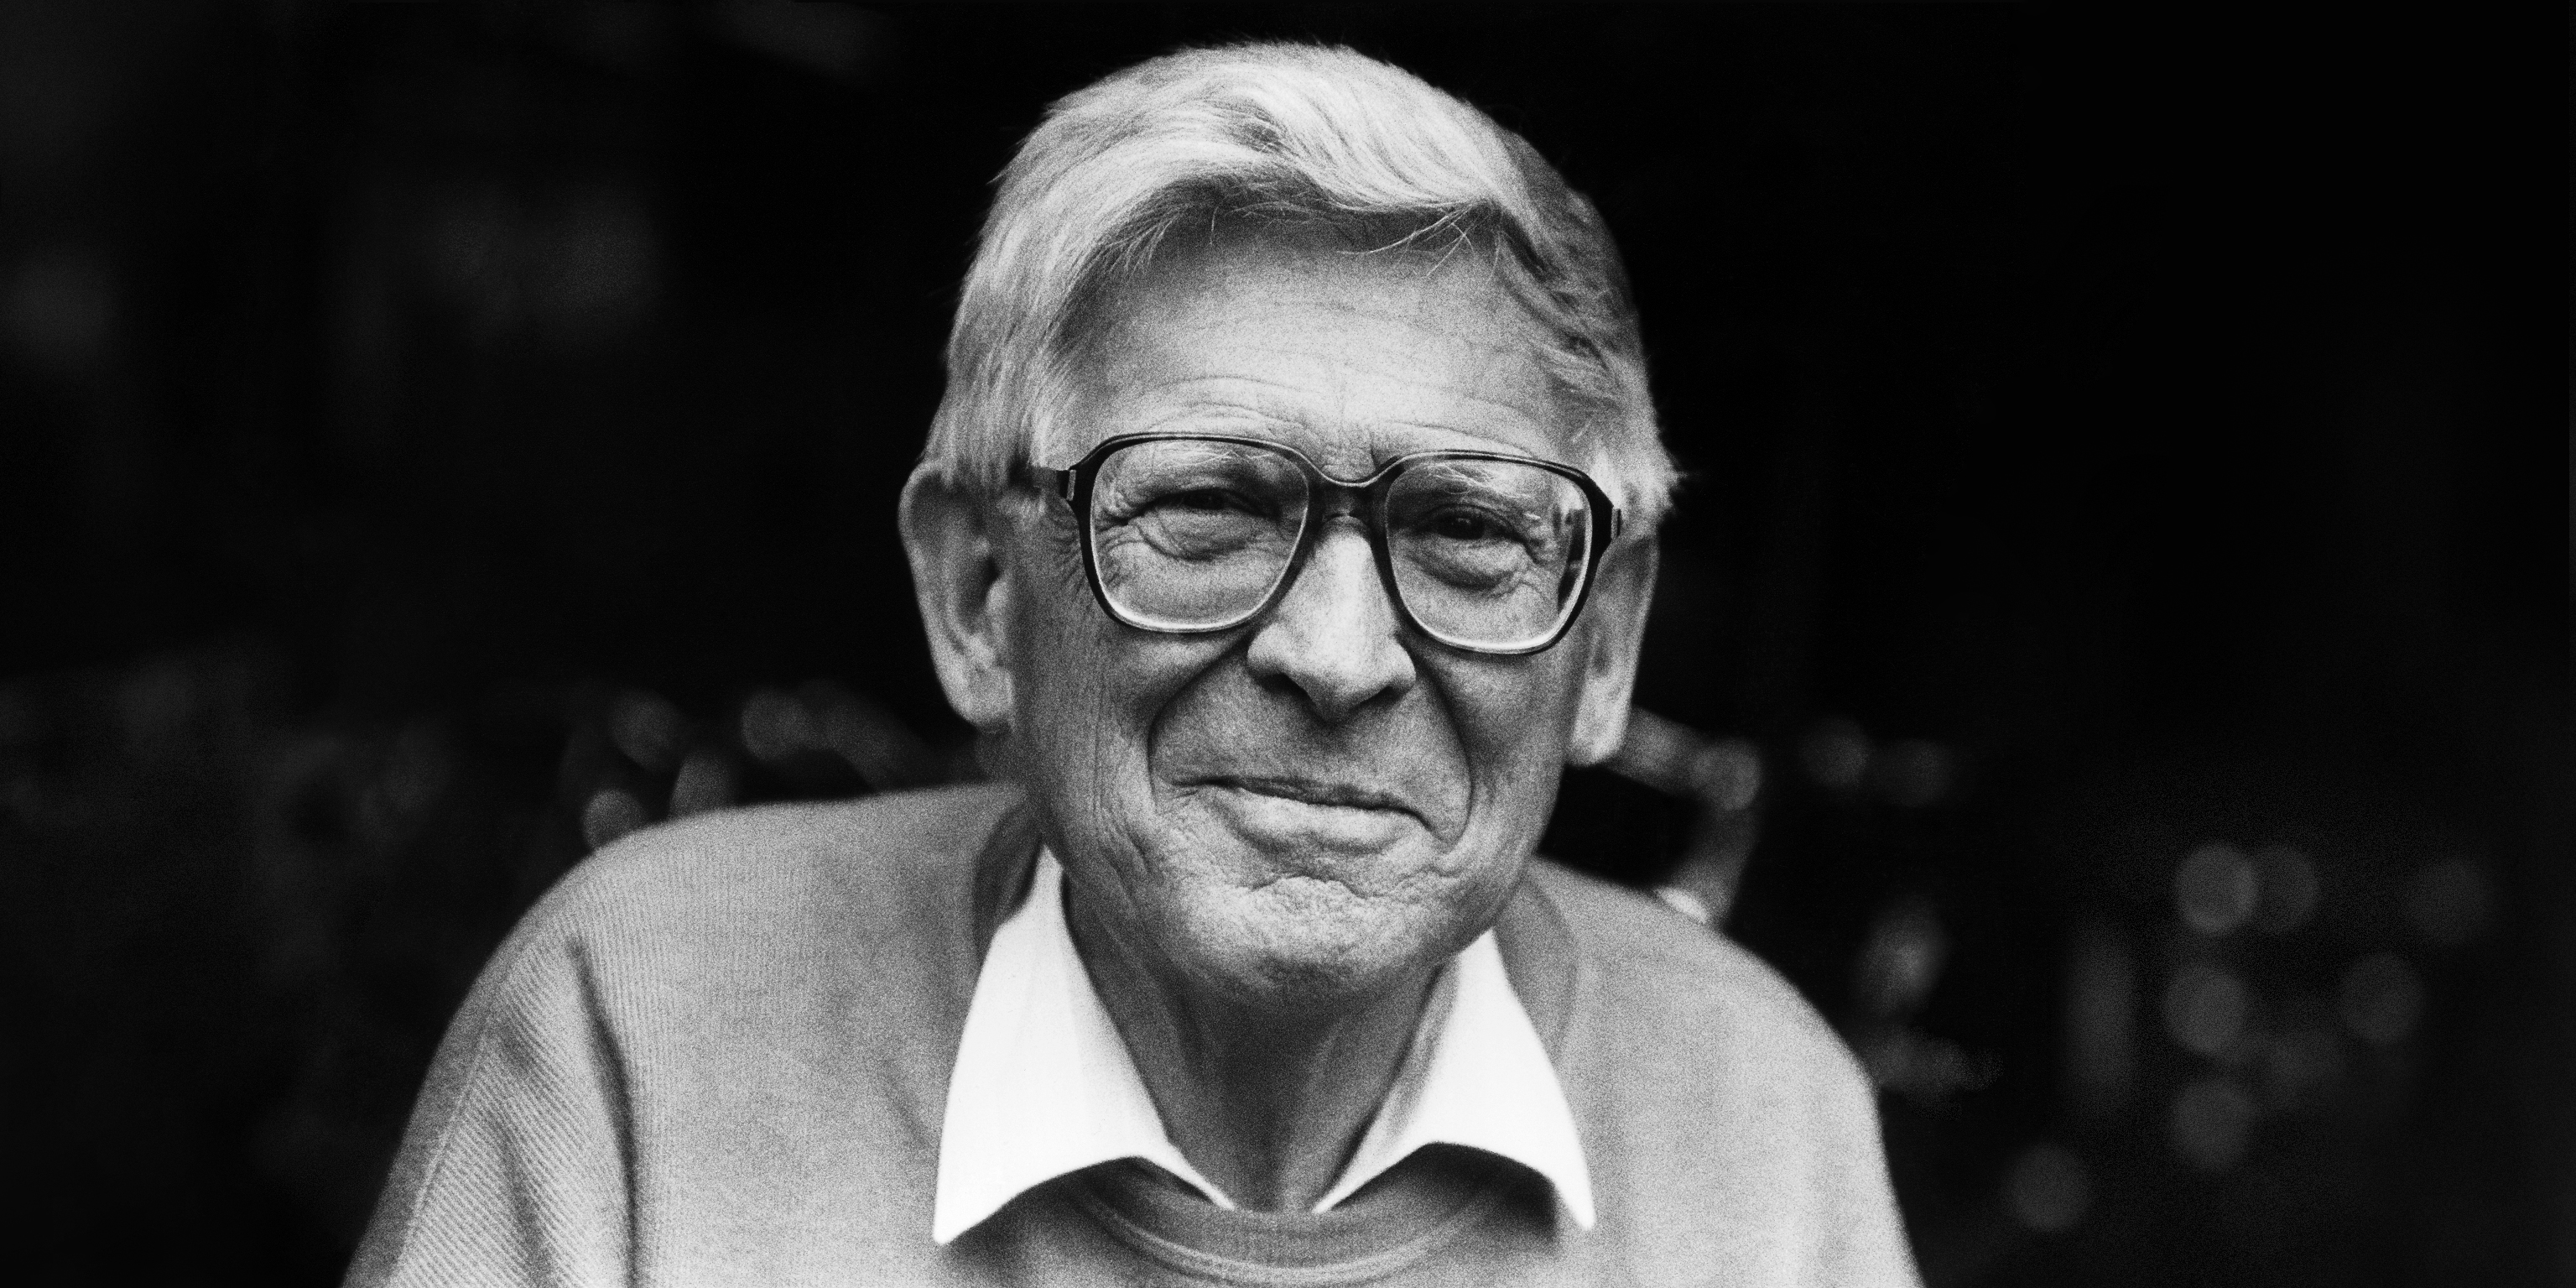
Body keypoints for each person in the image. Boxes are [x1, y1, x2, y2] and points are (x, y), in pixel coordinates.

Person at [347, 42, 1922, 1287]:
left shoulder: (1758, 1121)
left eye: (1465, 532)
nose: (1337, 656)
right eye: (1207, 509)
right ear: (979, 593)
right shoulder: (650, 1024)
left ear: (1608, 644)